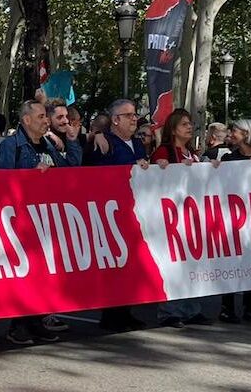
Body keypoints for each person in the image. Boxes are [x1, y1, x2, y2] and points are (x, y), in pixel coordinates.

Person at [0, 99, 81, 345]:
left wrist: (73, 142)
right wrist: (30, 176)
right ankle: (18, 325)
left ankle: (36, 320)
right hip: (21, 222)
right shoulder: (12, 146)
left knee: (43, 275)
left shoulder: (48, 145)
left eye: (46, 116)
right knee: (24, 276)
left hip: (45, 221)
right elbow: (1, 183)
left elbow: (71, 170)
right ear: (27, 120)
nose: (47, 120)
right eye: (42, 116)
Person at [83, 99, 148, 332]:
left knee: (131, 264)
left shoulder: (138, 144)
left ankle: (126, 311)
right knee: (115, 264)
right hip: (111, 213)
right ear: (116, 120)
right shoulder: (104, 142)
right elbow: (95, 174)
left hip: (135, 212)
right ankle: (111, 314)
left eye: (135, 114)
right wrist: (95, 134)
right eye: (128, 115)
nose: (134, 118)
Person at [151, 109, 213, 328]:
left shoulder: (192, 153)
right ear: (174, 128)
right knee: (173, 265)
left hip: (193, 216)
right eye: (185, 124)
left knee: (193, 264)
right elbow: (156, 179)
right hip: (172, 216)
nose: (189, 127)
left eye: (190, 124)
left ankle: (191, 309)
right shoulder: (164, 152)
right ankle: (170, 311)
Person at [216, 119, 251, 324]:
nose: (231, 133)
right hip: (232, 218)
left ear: (246, 134)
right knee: (231, 261)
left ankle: (249, 305)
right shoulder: (229, 159)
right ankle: (227, 307)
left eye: (234, 130)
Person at [44, 99, 83, 165]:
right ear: (48, 120)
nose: (66, 121)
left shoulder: (72, 137)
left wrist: (72, 140)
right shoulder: (42, 140)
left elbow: (74, 167)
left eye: (66, 116)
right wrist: (46, 134)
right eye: (60, 117)